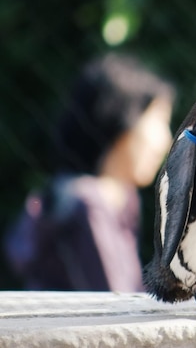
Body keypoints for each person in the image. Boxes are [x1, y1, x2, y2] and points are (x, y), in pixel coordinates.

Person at [4, 53, 174, 292]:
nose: (166, 141)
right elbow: (114, 305)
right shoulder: (89, 202)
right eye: (160, 121)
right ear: (124, 122)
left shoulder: (121, 198)